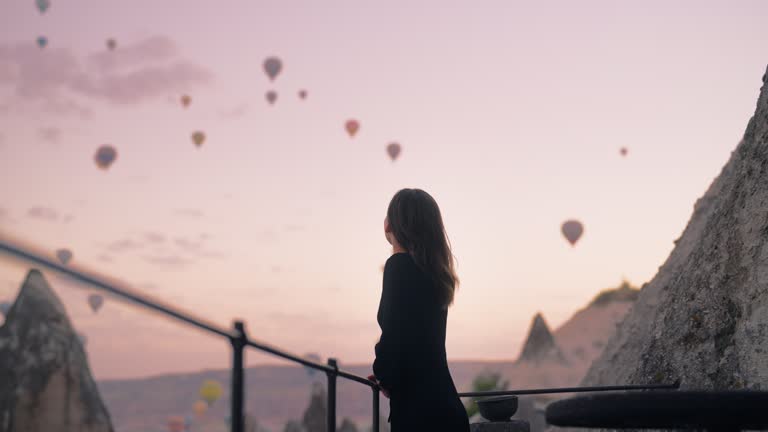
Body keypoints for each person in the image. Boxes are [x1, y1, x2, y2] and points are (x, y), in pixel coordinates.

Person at [368, 188, 470, 432]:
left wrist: (384, 374)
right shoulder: (436, 274)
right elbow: (419, 341)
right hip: (446, 409)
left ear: (390, 226)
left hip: (419, 415)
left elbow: (394, 335)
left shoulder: (398, 267)